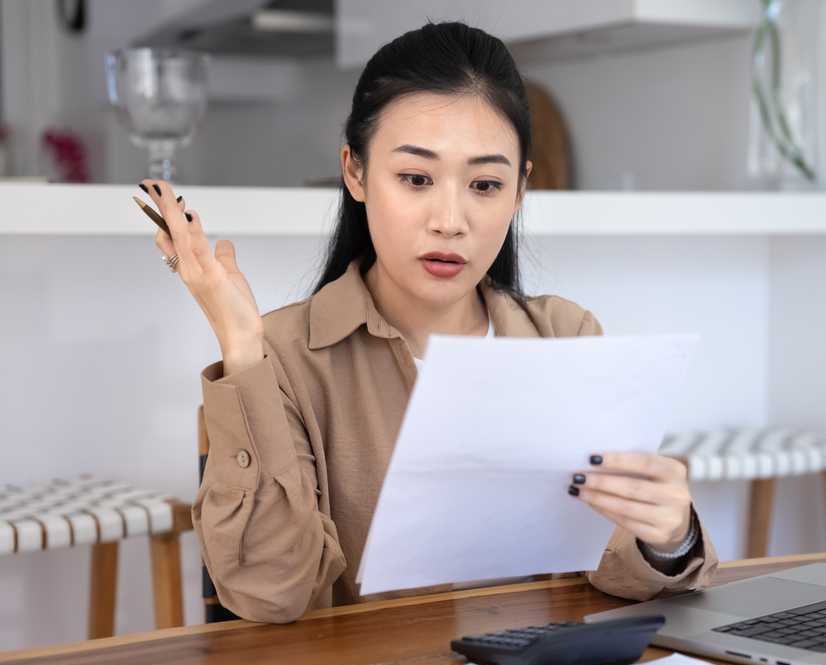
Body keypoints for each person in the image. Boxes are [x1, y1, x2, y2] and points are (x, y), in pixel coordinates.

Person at [143, 21, 718, 624]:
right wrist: (242, 348)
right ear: (355, 172)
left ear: (520, 191)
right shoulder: (283, 357)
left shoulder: (565, 336)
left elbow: (614, 565)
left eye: (485, 185)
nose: (450, 220)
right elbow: (271, 593)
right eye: (416, 179)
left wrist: (668, 535)